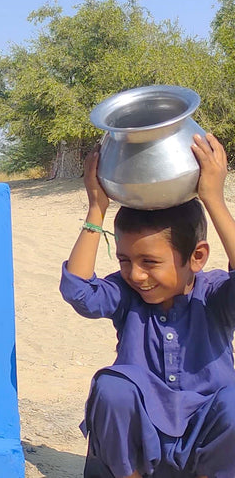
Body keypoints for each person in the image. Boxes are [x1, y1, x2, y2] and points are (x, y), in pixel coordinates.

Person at [62, 134, 235, 478]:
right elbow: (79, 291)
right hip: (142, 445)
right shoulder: (126, 294)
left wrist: (214, 199)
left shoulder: (214, 294)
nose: (137, 275)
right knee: (113, 388)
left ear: (197, 257)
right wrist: (96, 208)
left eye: (150, 262)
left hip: (202, 441)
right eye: (125, 260)